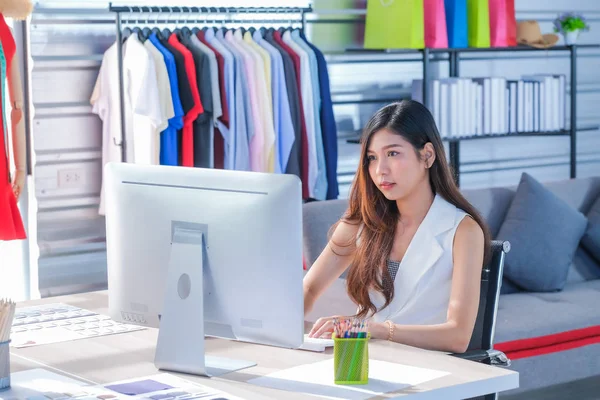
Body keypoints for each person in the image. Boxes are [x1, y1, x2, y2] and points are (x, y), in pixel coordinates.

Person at [303, 100, 491, 354]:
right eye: (372, 158)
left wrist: (373, 328)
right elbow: (309, 287)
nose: (380, 170)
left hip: (428, 367)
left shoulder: (463, 231)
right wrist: (280, 333)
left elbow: (458, 336)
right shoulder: (361, 223)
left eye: (392, 153)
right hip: (364, 359)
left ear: (427, 155)